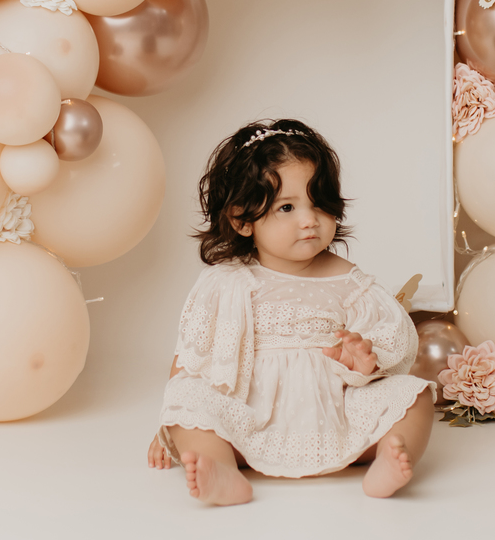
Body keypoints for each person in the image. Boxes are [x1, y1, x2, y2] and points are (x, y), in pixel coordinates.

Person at [147, 119, 435, 505]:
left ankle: (390, 454)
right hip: (248, 416)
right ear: (242, 220)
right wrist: (170, 419)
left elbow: (390, 348)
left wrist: (364, 361)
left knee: (413, 395)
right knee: (188, 397)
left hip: (335, 416)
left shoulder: (351, 282)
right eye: (287, 206)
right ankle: (222, 470)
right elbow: (191, 359)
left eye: (319, 204)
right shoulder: (226, 282)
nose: (309, 220)